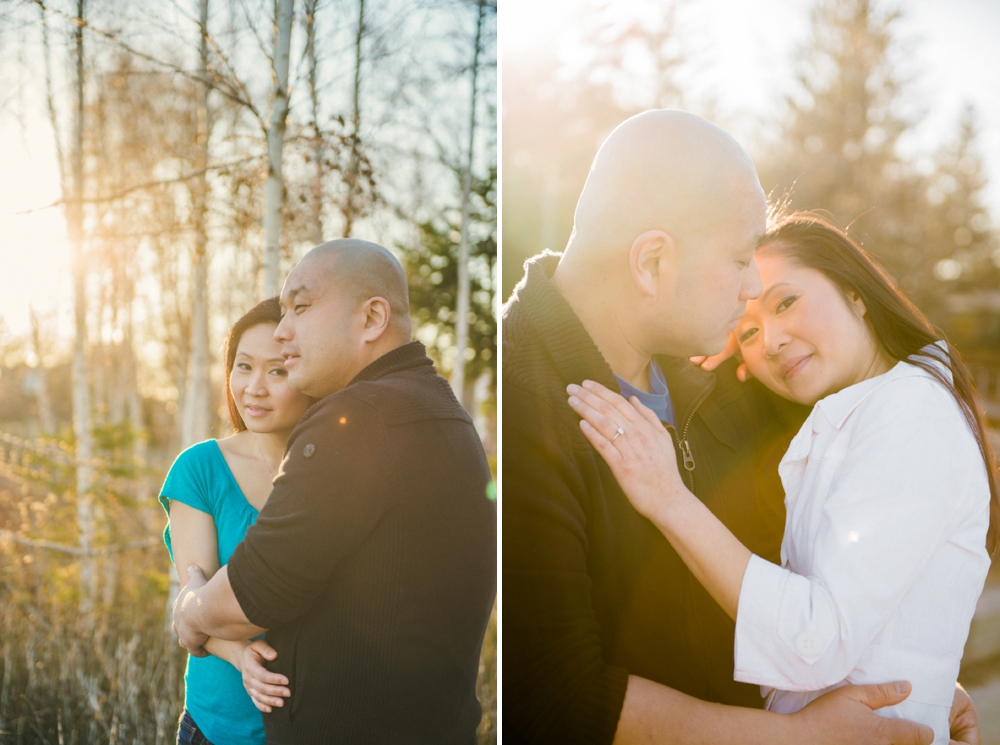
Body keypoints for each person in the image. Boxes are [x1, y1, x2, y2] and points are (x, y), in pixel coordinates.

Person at [503, 109, 978, 744]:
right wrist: (802, 739)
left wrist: (912, 667)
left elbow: (838, 576)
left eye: (777, 293)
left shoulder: (738, 390)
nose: (751, 287)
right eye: (737, 259)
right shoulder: (522, 399)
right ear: (652, 264)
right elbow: (551, 698)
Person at [170, 239, 497, 744]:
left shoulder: (361, 419)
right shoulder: (444, 413)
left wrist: (191, 612)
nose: (283, 331)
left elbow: (258, 588)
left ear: (371, 319)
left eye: (300, 308)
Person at [160, 297, 313, 745]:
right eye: (243, 367)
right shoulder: (200, 469)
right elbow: (196, 603)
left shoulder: (334, 474)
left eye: (278, 370)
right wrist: (242, 655)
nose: (254, 388)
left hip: (317, 723)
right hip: (219, 725)